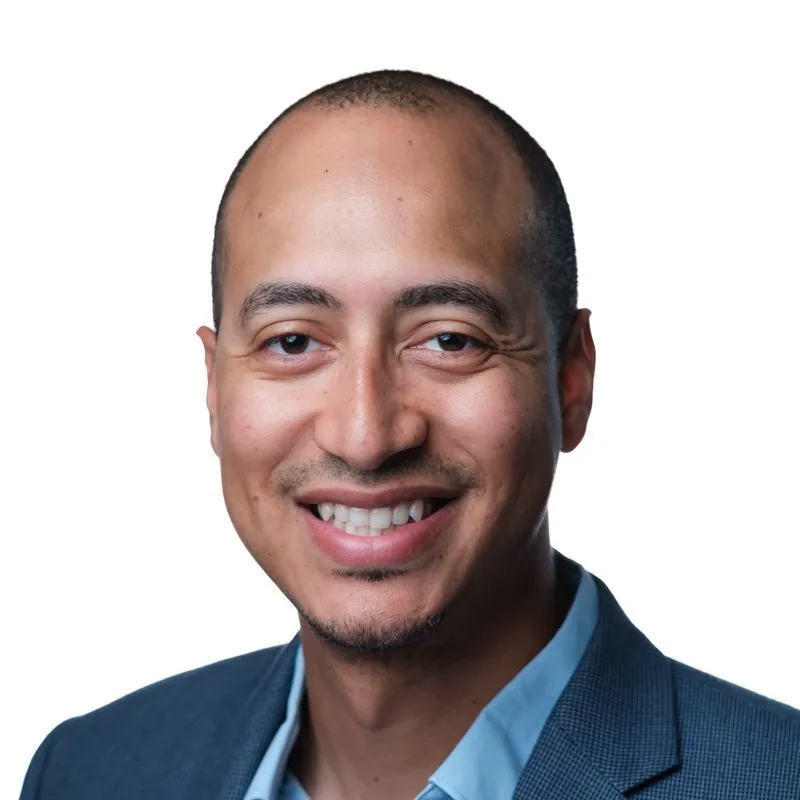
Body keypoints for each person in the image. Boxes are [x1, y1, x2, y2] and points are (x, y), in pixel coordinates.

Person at [20, 69, 800, 800]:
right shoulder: (86, 773)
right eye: (293, 342)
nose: (365, 435)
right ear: (214, 389)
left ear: (572, 381)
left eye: (450, 340)